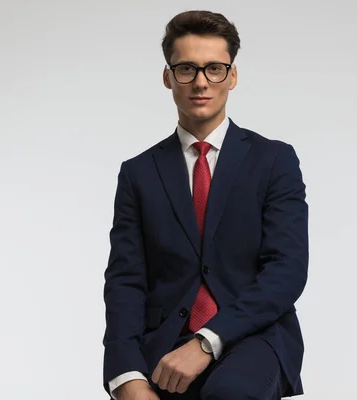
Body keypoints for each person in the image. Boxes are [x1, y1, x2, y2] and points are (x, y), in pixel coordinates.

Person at [102, 10, 309, 400]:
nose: (201, 82)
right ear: (168, 77)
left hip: (254, 337)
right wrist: (125, 375)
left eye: (215, 68)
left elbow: (287, 270)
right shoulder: (138, 173)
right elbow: (125, 281)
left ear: (232, 76)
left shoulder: (274, 161)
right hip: (164, 345)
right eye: (186, 69)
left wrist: (206, 342)